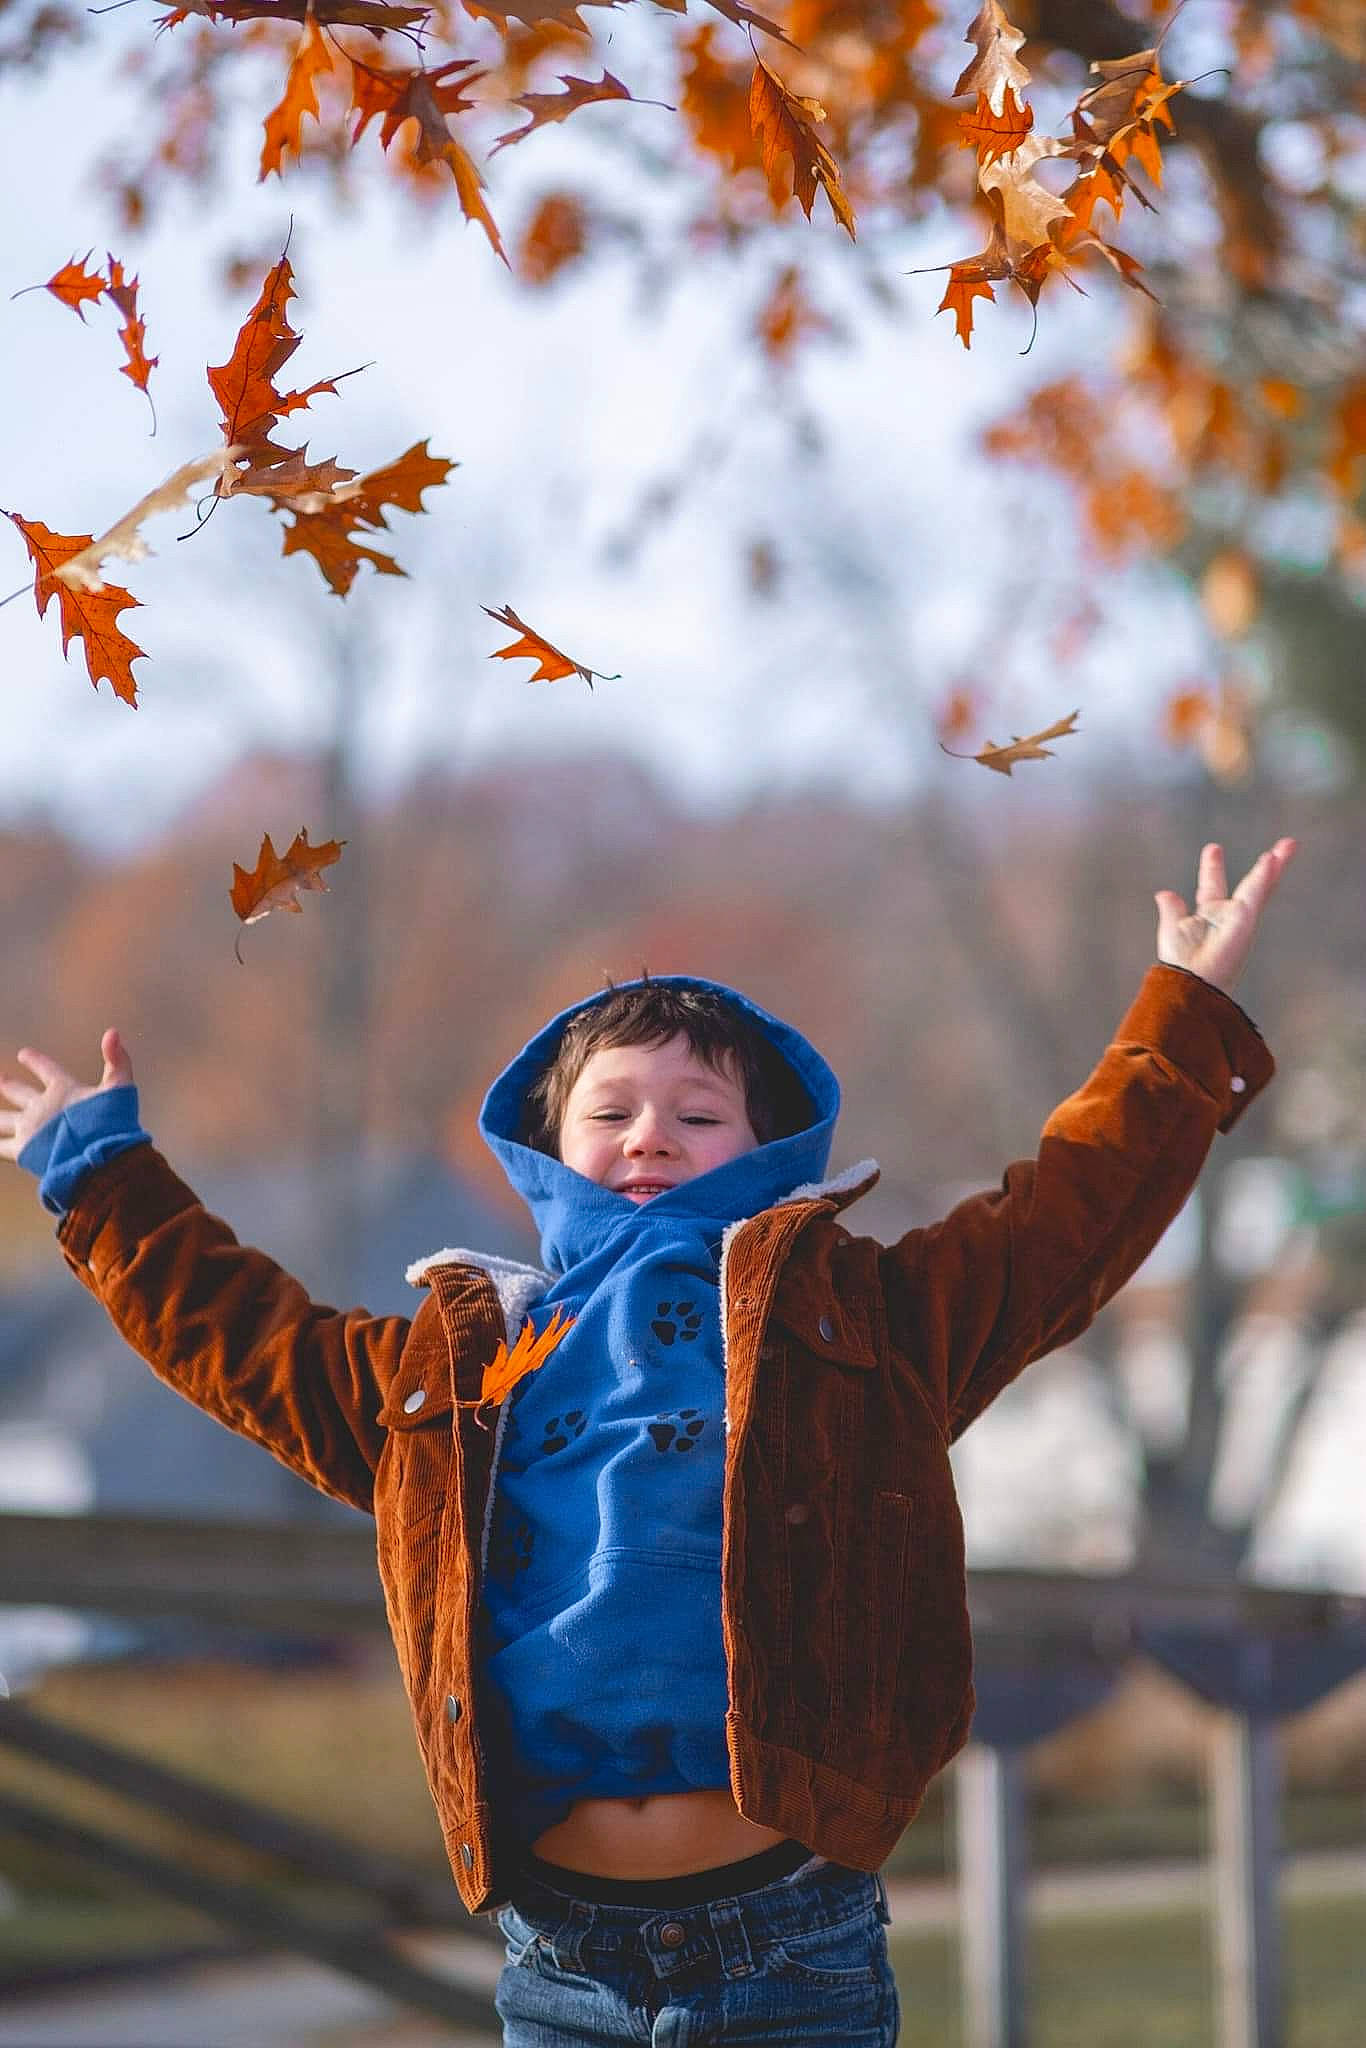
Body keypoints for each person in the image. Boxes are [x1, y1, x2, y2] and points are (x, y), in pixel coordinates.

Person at [1, 838, 1295, 2045]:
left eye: (697, 1111)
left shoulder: (855, 1322)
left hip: (794, 1941)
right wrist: (101, 1181)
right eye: (610, 1110)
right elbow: (247, 1339)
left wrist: (1176, 1019)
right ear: (545, 1149)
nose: (649, 1134)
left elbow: (1058, 1224)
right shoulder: (451, 1376)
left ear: (769, 1146)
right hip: (560, 1962)